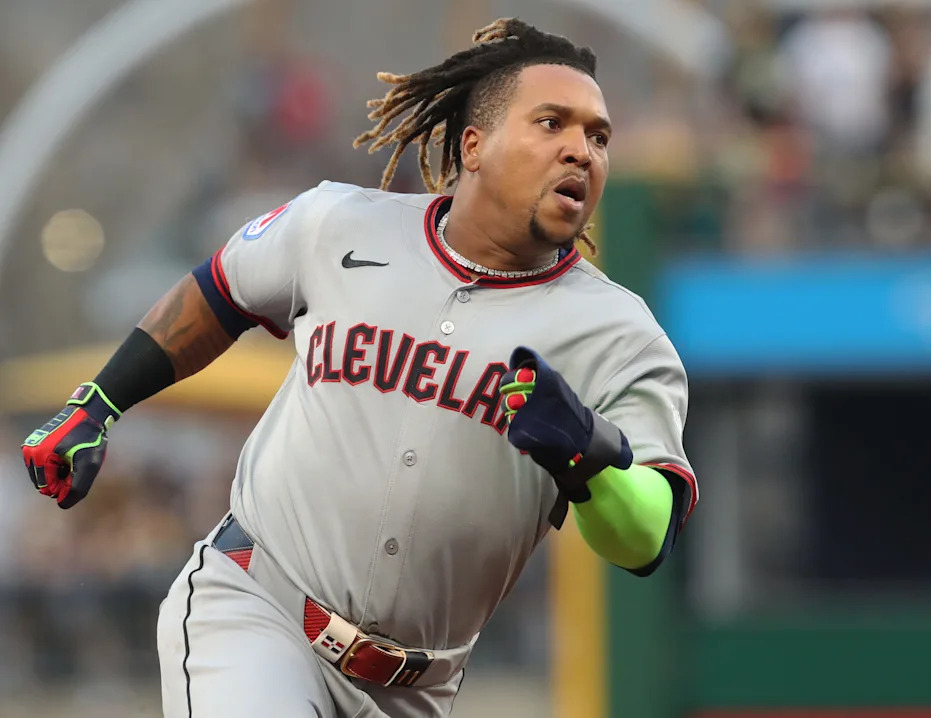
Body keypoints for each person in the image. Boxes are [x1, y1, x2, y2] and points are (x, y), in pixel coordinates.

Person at [20, 18, 698, 718]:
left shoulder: (620, 333)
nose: (580, 151)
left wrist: (589, 458)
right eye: (551, 122)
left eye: (598, 136)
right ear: (475, 145)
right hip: (258, 608)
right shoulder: (338, 225)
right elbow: (222, 289)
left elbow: (650, 537)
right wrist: (101, 400)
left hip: (414, 688)